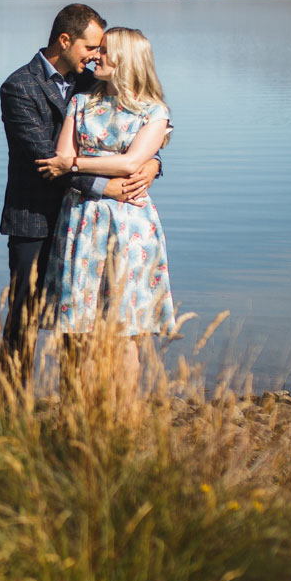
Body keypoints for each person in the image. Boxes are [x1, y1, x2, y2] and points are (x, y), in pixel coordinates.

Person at [0, 4, 159, 380]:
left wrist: (151, 165)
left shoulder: (92, 82)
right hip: (34, 219)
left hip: (86, 223)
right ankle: (10, 409)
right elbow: (44, 158)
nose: (96, 55)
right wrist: (108, 186)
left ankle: (75, 407)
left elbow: (136, 128)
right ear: (65, 40)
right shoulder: (19, 86)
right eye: (91, 47)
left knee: (79, 318)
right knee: (26, 315)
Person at [36, 26, 177, 392]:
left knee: (124, 329)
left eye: (105, 51)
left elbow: (131, 163)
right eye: (95, 50)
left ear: (127, 59)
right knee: (79, 323)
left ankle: (124, 419)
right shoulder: (81, 102)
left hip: (129, 224)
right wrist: (77, 162)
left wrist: (78, 165)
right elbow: (61, 154)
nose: (95, 56)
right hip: (81, 220)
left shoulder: (154, 111)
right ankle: (82, 413)